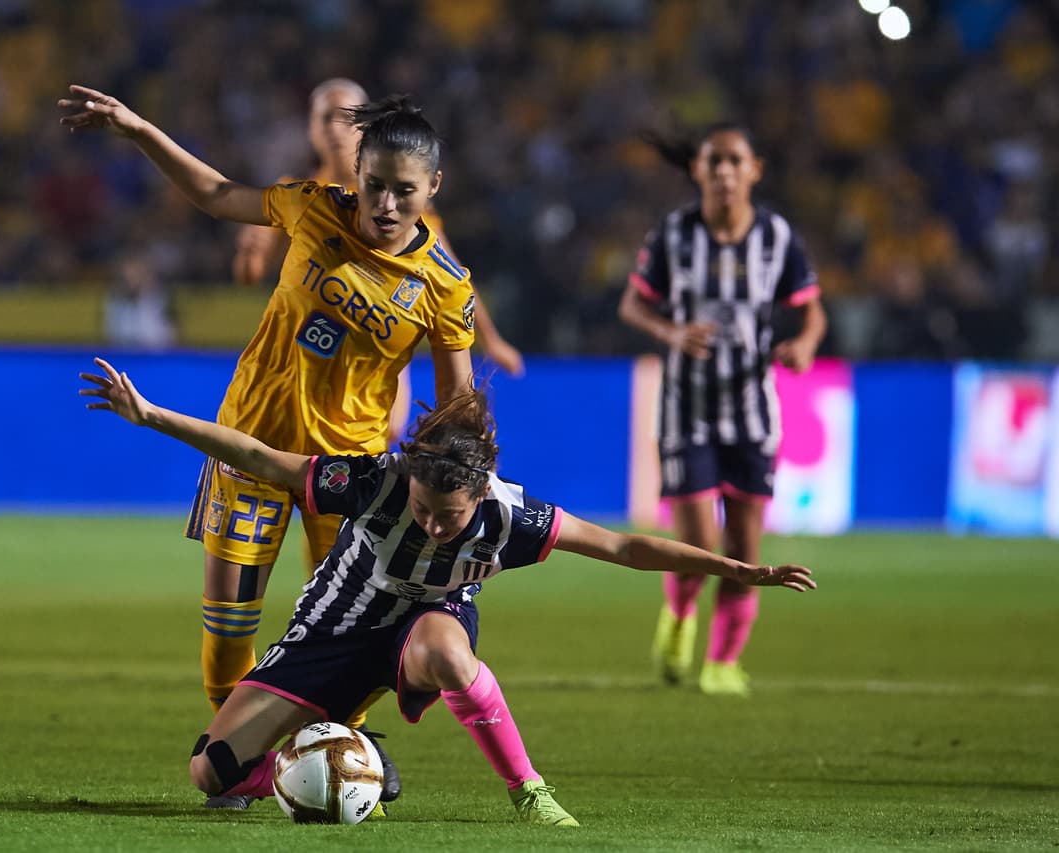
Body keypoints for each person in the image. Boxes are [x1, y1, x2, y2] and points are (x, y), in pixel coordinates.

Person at [78, 357, 815, 826]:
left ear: (476, 496)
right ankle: (342, 758)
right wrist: (153, 417)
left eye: (447, 514)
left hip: (424, 624)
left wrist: (736, 569)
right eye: (424, 506)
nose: (432, 523)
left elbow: (622, 544)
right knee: (212, 774)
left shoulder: (508, 513)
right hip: (333, 629)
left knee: (445, 649)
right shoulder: (370, 480)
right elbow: (261, 456)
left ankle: (529, 790)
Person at [59, 85, 477, 808]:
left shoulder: (444, 286)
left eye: (402, 193)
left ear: (432, 188)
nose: (383, 205)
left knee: (352, 634)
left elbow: (457, 406)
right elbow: (219, 193)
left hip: (348, 477)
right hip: (249, 449)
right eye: (373, 186)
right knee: (229, 626)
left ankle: (351, 747)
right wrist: (137, 129)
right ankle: (245, 757)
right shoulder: (311, 205)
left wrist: (447, 491)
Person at [617, 121, 827, 697]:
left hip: (753, 412)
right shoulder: (674, 235)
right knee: (696, 548)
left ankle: (722, 661)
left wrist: (805, 344)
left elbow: (812, 311)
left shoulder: (777, 238)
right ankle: (680, 615)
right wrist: (671, 332)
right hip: (686, 409)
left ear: (755, 169)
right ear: (698, 171)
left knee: (745, 549)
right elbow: (632, 304)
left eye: (736, 161)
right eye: (715, 162)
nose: (726, 172)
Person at [232, 78, 525, 444]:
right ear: (310, 128)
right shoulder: (301, 195)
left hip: (374, 345)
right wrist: (249, 253)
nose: (336, 130)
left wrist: (490, 339)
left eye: (346, 118)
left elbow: (449, 272)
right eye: (326, 119)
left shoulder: (404, 203)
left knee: (383, 433)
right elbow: (250, 277)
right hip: (306, 346)